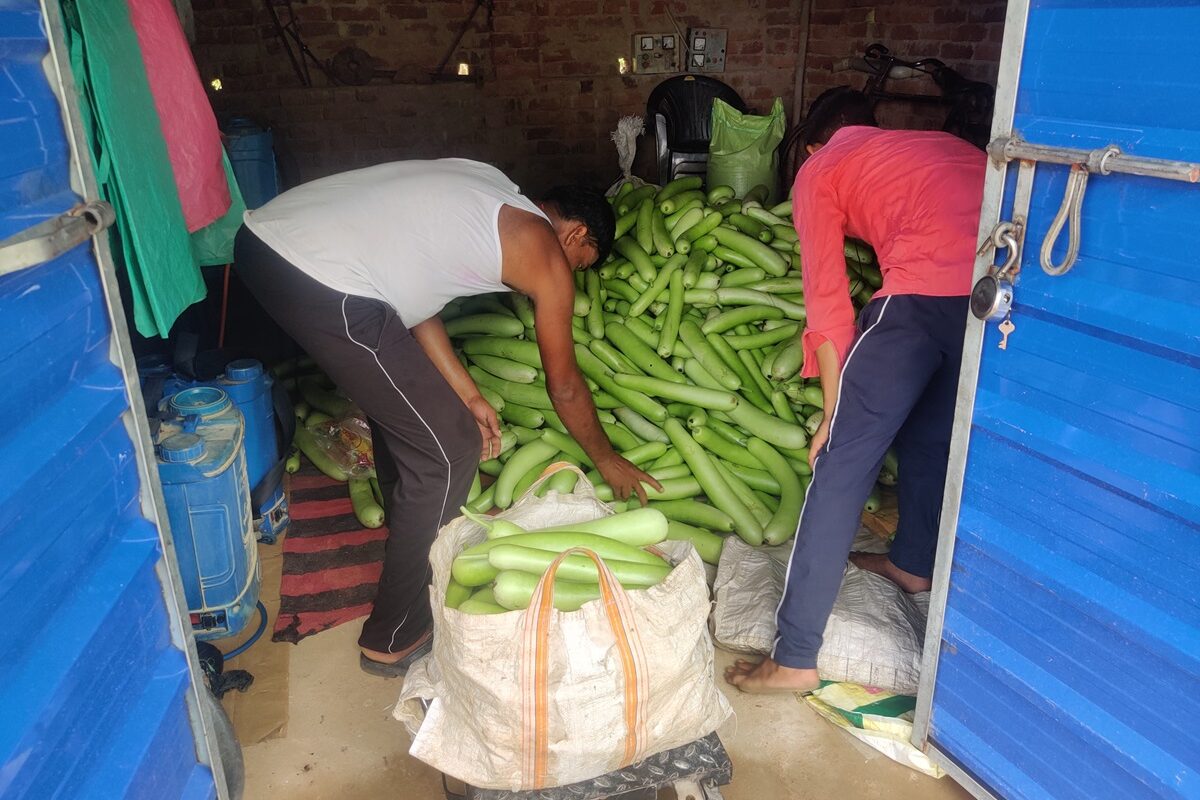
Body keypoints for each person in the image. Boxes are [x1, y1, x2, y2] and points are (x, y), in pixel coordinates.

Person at [234, 159, 661, 677]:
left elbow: (413, 300)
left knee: (421, 424)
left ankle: (411, 532)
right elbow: (565, 384)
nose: (568, 275)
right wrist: (605, 458)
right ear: (575, 233)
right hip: (322, 278)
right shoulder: (543, 247)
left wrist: (468, 394)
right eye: (581, 263)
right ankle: (392, 637)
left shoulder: (491, 192)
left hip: (266, 244)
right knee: (449, 451)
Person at [726, 88, 986, 693]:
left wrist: (830, 414)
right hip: (993, 297)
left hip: (919, 296)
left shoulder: (820, 170)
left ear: (813, 146)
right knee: (931, 437)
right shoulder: (935, 147)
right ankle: (913, 565)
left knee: (840, 465)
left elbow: (828, 304)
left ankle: (793, 657)